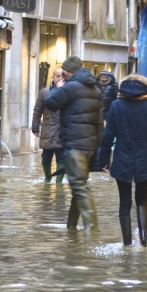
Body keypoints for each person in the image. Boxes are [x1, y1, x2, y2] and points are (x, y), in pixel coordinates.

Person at [98, 73, 147, 247]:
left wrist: (103, 160)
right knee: (142, 198)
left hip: (122, 155)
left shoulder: (116, 105)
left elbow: (108, 135)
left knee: (124, 201)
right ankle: (143, 239)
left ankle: (126, 243)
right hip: (144, 155)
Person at [44, 55, 103, 233]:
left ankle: (92, 230)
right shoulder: (95, 89)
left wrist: (56, 87)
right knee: (79, 185)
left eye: (63, 73)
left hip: (75, 146)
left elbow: (50, 103)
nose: (62, 76)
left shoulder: (70, 87)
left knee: (79, 186)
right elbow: (100, 124)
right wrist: (99, 149)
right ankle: (71, 228)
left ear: (68, 72)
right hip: (90, 146)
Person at [31, 67, 66, 182]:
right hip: (48, 129)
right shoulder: (44, 92)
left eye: (62, 76)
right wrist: (35, 127)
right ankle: (47, 178)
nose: (60, 78)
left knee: (61, 158)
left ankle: (59, 182)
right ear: (53, 77)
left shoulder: (68, 91)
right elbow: (37, 110)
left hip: (62, 130)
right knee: (46, 157)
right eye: (58, 76)